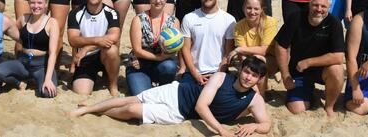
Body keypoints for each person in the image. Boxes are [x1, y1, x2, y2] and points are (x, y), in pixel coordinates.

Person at [68, 56, 272, 137]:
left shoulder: (254, 100)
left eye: (254, 75)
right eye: (246, 72)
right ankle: (88, 109)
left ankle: (102, 112)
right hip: (176, 92)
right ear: (241, 69)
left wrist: (253, 126)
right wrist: (220, 130)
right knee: (133, 99)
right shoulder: (221, 77)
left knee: (132, 111)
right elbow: (202, 106)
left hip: (179, 114)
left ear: (259, 79)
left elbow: (266, 125)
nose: (248, 77)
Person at [274, 0, 345, 118]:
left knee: (337, 69)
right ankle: (308, 93)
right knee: (297, 109)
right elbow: (280, 46)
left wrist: (309, 62)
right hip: (298, 71)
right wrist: (285, 75)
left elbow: (339, 57)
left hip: (322, 71)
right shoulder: (296, 17)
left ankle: (329, 106)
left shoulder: (334, 23)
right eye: (315, 5)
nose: (319, 9)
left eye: (323, 6)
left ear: (329, 7)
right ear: (309, 4)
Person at [0, 0, 59, 98]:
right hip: (23, 62)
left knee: (47, 93)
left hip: (41, 66)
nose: (36, 6)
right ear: (28, 3)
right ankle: (20, 83)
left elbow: (53, 53)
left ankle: (40, 79)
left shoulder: (52, 23)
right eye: (32, 2)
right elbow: (10, 29)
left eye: (39, 3)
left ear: (46, 4)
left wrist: (47, 80)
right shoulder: (24, 18)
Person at [67, 0, 121, 96]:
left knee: (112, 50)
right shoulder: (75, 13)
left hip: (103, 54)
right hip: (85, 58)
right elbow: (73, 40)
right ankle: (90, 77)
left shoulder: (112, 13)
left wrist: (86, 48)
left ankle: (113, 84)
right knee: (81, 92)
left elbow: (114, 37)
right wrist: (98, 40)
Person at [180, 0, 236, 86]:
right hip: (194, 72)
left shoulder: (229, 20)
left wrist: (218, 75)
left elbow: (228, 52)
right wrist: (195, 74)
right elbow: (185, 49)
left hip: (219, 71)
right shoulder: (189, 18)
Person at [126, 0, 180, 96]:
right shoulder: (138, 19)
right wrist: (159, 57)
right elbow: (137, 50)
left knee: (170, 67)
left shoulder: (173, 21)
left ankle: (162, 88)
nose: (158, 1)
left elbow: (175, 48)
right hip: (139, 64)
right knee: (142, 96)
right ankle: (146, 83)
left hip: (161, 64)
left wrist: (162, 57)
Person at [228, 0, 278, 99]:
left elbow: (264, 50)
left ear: (261, 10)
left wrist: (240, 49)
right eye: (249, 8)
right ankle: (256, 93)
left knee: (259, 62)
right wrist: (248, 66)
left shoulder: (270, 22)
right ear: (243, 9)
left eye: (256, 9)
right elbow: (242, 55)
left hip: (271, 60)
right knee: (254, 66)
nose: (252, 12)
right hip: (250, 59)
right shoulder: (238, 26)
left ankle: (261, 96)